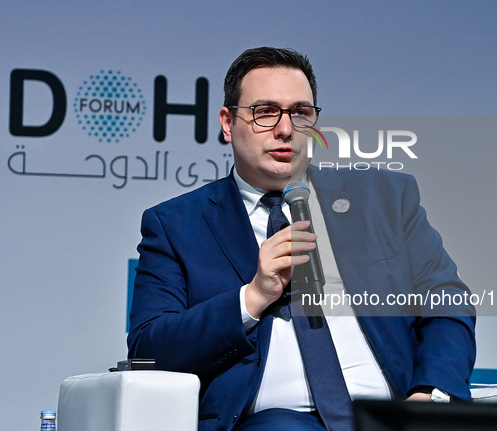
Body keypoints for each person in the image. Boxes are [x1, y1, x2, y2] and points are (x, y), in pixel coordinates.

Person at [128, 47, 476, 431]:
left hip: (391, 416)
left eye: (300, 112)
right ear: (227, 123)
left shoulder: (384, 198)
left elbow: (447, 300)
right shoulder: (177, 224)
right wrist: (253, 296)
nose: (286, 129)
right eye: (265, 112)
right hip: (272, 422)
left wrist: (432, 394)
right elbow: (150, 349)